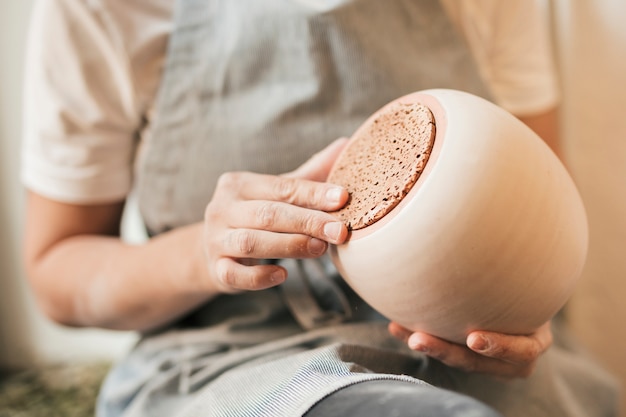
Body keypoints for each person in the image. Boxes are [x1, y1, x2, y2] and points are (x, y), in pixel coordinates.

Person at [20, 0, 618, 416]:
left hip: (465, 356)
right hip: (232, 362)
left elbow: (544, 208)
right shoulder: (99, 12)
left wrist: (523, 312)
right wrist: (205, 255)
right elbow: (56, 272)